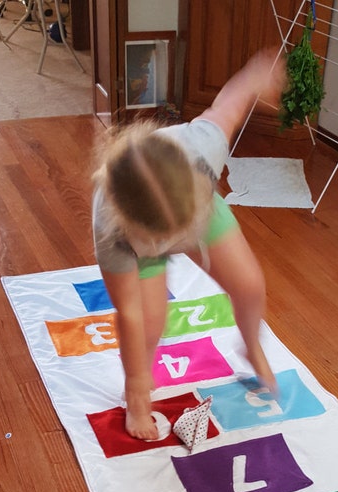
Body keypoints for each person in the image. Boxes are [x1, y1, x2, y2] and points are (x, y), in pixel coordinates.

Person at [92, 50, 286, 440]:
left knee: (249, 284)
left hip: (199, 213)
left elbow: (231, 99)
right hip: (138, 247)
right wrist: (137, 385)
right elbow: (128, 314)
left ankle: (251, 346)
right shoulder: (111, 227)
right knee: (149, 324)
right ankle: (138, 397)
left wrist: (257, 75)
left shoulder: (203, 148)